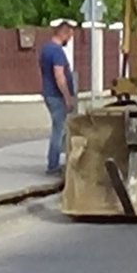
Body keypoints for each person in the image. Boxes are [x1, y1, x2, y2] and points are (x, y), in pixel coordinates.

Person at [40, 20, 79, 174]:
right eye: (70, 34)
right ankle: (53, 165)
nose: (70, 38)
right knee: (59, 130)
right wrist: (67, 97)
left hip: (50, 94)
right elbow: (59, 76)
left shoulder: (46, 49)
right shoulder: (56, 51)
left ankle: (58, 162)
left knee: (60, 129)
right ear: (64, 32)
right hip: (56, 96)